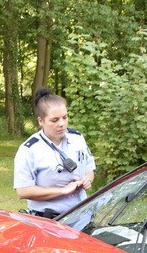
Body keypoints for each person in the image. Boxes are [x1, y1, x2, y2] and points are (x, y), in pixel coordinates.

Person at [14, 88, 95, 217]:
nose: (62, 124)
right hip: (49, 220)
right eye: (55, 120)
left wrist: (87, 180)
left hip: (82, 215)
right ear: (41, 121)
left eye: (65, 117)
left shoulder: (78, 139)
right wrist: (62, 191)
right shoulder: (29, 150)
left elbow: (89, 170)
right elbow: (23, 191)